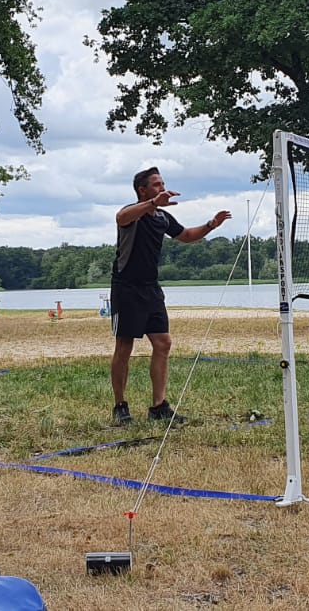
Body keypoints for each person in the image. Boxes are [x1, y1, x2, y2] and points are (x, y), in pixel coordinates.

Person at [109, 166, 231, 426]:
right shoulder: (133, 213)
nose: (162, 188)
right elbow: (120, 217)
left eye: (163, 184)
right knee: (124, 346)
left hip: (151, 288)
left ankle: (158, 407)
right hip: (126, 288)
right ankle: (120, 406)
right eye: (156, 185)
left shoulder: (162, 218)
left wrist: (211, 225)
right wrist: (153, 202)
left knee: (163, 343)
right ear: (142, 190)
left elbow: (186, 236)